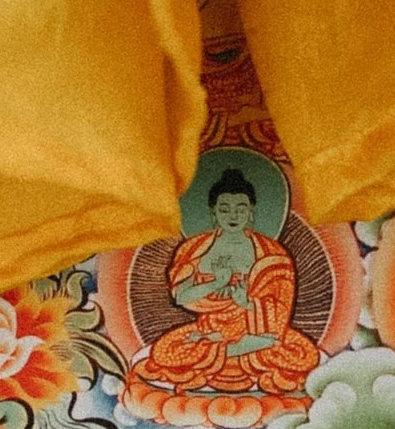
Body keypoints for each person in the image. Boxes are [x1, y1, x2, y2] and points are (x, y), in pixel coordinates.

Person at [122, 168, 318, 414]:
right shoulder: (196, 248)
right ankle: (231, 352)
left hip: (259, 333)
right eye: (225, 209)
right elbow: (181, 296)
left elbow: (280, 305)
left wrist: (247, 304)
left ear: (251, 213)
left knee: (304, 356)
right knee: (165, 351)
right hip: (210, 331)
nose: (233, 215)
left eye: (240, 208)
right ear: (214, 212)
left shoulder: (272, 254)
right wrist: (215, 283)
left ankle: (227, 354)